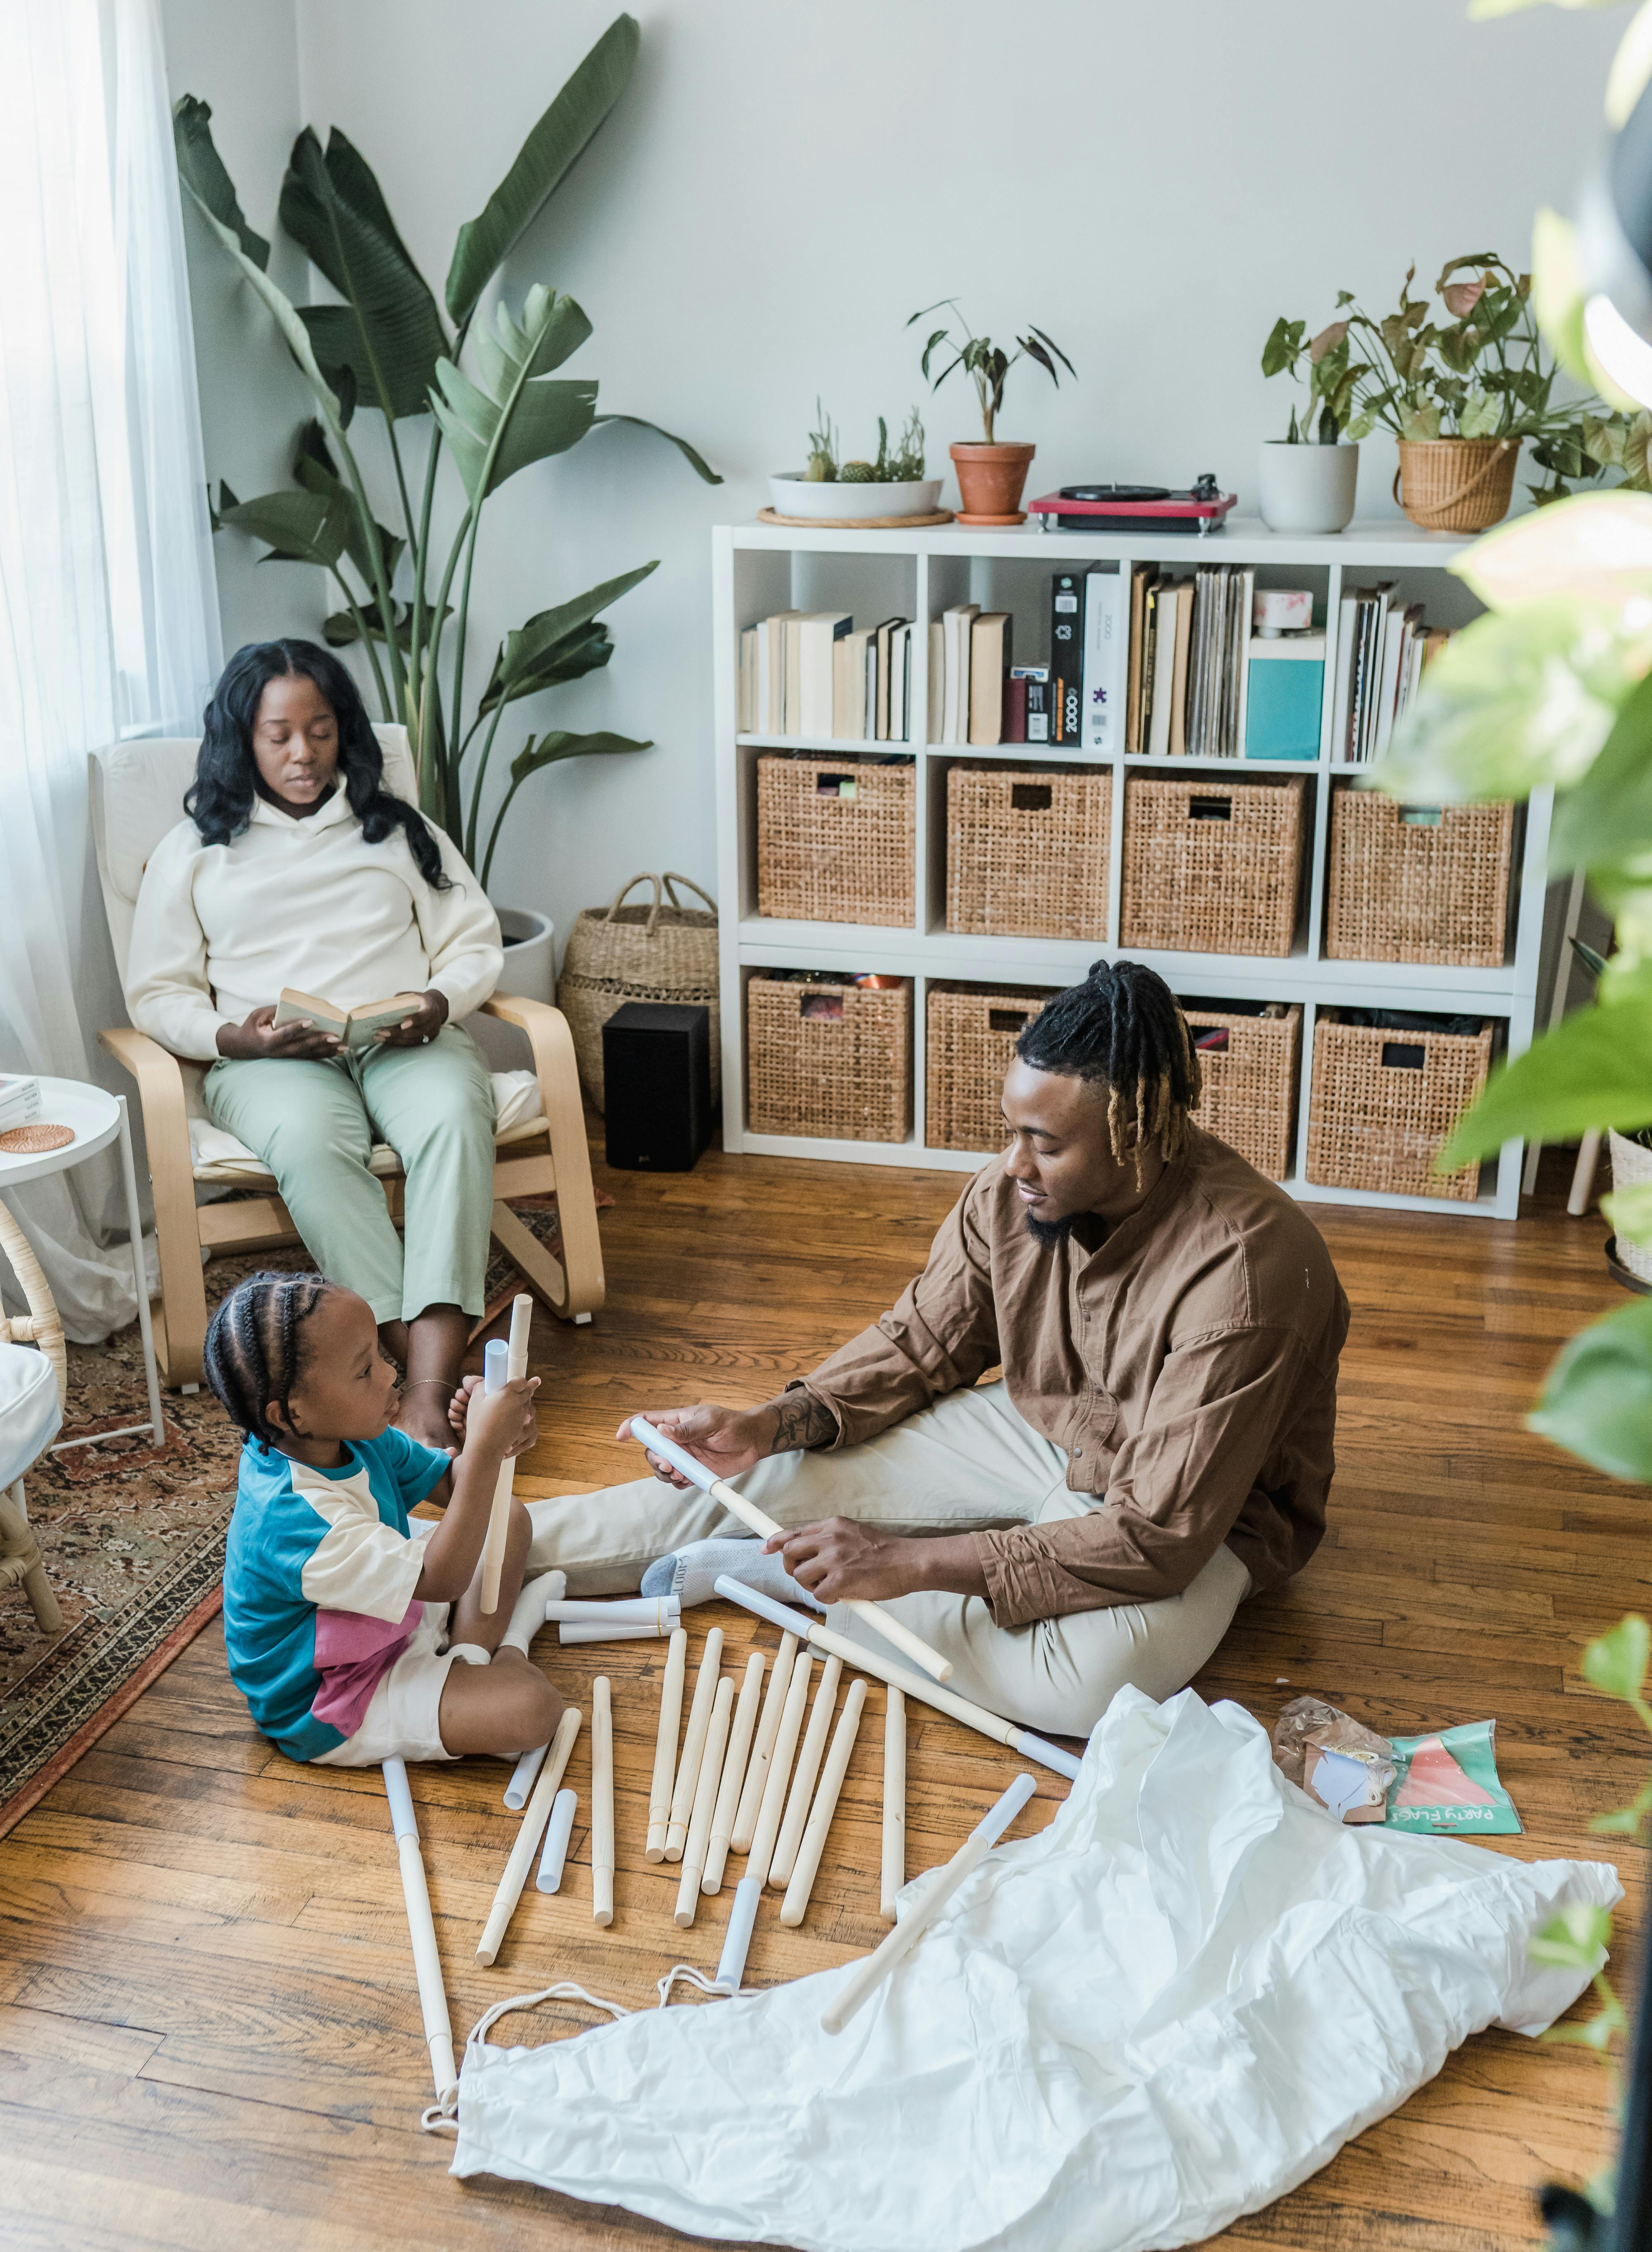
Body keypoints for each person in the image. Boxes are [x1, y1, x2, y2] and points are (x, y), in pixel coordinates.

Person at [520, 959, 1350, 1739]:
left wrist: (906, 1563)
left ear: (1135, 1134)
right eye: (1014, 1129)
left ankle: (792, 1581)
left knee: (1090, 1684)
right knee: (760, 1473)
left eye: (1047, 1144)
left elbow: (1154, 1539)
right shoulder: (1014, 1190)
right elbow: (923, 1340)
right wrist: (771, 1423)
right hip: (1041, 1431)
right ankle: (474, 1553)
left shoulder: (1247, 1275)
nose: (1014, 1163)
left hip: (1192, 1511)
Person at [127, 640, 505, 1449]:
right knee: (310, 1141)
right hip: (271, 1062)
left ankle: (428, 1395)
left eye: (321, 731)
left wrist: (438, 1002)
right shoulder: (194, 849)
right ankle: (410, 1373)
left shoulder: (397, 830)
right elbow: (158, 992)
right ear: (244, 739)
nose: (303, 753)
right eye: (279, 735)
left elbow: (474, 942)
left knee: (452, 1117)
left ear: (345, 733)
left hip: (402, 1038)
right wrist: (233, 1035)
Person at [209, 1269, 561, 1766]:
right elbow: (443, 1578)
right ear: (292, 1413)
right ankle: (501, 1655)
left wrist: (496, 1440)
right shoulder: (293, 1521)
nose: (391, 1374)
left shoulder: (347, 1430)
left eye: (378, 1354)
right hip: (334, 1694)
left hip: (389, 1615)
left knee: (507, 1515)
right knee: (534, 1710)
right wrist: (483, 1447)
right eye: (364, 1370)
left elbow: (455, 1487)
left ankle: (468, 1658)